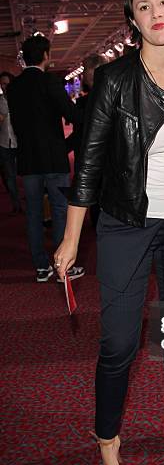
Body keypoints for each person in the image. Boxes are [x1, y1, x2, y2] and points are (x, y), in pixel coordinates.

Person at [54, 0, 164, 465]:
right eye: (143, 6)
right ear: (133, 18)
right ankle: (107, 442)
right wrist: (73, 238)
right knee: (119, 341)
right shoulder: (116, 81)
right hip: (126, 225)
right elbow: (91, 164)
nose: (156, 12)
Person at [7, 35, 85, 283]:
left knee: (33, 213)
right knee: (61, 210)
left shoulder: (14, 87)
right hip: (53, 158)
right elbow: (70, 113)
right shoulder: (49, 82)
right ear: (45, 56)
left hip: (28, 160)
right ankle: (64, 266)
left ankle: (41, 267)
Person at [66, 54, 107, 227]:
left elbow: (79, 134)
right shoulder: (85, 102)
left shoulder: (84, 102)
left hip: (99, 160)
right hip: (98, 161)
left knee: (97, 203)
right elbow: (80, 133)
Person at [0, 72, 22, 213]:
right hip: (4, 143)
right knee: (10, 176)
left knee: (27, 175)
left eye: (7, 83)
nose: (5, 86)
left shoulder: (20, 99)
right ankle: (16, 204)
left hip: (20, 142)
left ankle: (31, 201)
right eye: (3, 84)